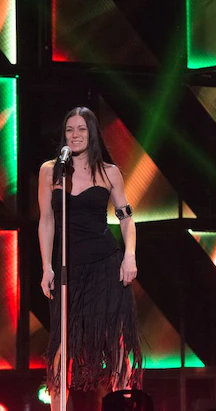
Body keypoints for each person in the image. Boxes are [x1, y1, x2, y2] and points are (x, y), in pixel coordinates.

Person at [38, 107, 143, 410]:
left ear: (92, 133)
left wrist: (130, 256)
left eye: (81, 129)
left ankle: (122, 404)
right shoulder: (50, 171)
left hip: (106, 265)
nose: (75, 135)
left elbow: (126, 219)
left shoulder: (109, 172)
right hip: (69, 270)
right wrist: (46, 266)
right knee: (63, 344)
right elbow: (46, 220)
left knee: (116, 343)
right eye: (70, 129)